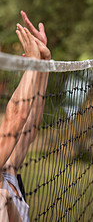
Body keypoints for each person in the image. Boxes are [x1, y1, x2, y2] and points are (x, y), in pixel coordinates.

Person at [0, 12, 50, 221]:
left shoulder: (7, 170)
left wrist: (42, 63)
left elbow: (29, 125)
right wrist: (32, 62)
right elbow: (16, 116)